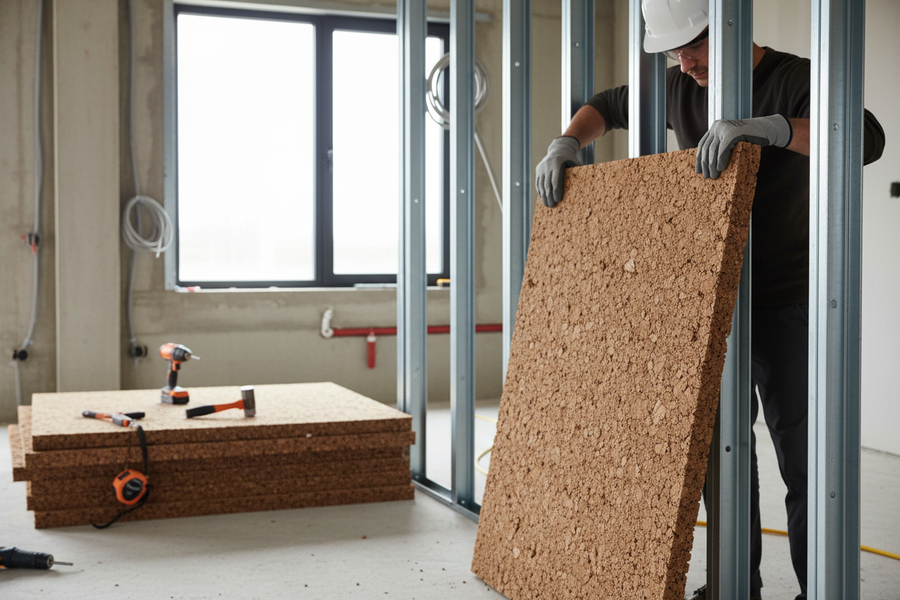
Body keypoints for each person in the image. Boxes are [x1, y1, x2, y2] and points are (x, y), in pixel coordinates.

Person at [534, 1, 886, 600]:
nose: (685, 62)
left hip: (786, 302)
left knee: (804, 460)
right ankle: (735, 587)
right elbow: (607, 104)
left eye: (692, 47)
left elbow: (867, 136)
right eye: (673, 51)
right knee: (723, 456)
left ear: (727, 28)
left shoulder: (792, 78)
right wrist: (566, 143)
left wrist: (772, 128)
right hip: (714, 299)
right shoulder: (675, 85)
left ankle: (818, 590)